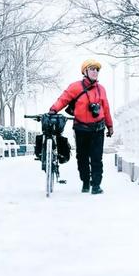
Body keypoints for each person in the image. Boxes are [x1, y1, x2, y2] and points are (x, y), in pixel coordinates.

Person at [49, 59, 114, 194]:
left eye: (97, 69)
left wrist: (110, 125)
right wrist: (53, 110)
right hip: (81, 128)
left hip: (98, 128)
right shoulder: (75, 87)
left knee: (97, 158)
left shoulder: (101, 89)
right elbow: (63, 99)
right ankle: (85, 182)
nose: (95, 72)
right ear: (85, 71)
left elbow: (106, 108)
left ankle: (96, 185)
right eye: (92, 69)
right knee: (82, 157)